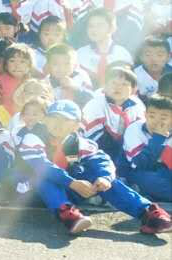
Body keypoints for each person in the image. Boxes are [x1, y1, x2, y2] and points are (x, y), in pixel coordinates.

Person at [17, 100, 171, 236]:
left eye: (65, 120)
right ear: (45, 120)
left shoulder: (78, 142)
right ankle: (68, 215)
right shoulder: (32, 137)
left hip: (67, 190)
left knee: (104, 180)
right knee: (42, 176)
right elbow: (41, 166)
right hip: (30, 193)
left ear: (76, 125)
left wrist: (104, 178)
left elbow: (102, 159)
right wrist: (72, 182)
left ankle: (148, 214)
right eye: (53, 119)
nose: (58, 124)